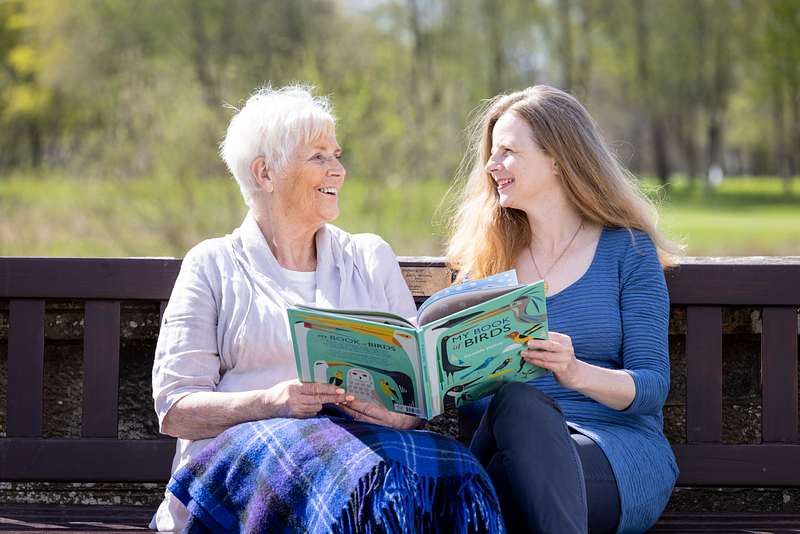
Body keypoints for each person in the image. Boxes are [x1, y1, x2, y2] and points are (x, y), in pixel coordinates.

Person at [150, 83, 505, 533]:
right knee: (362, 484)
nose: (338, 170)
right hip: (250, 467)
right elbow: (176, 408)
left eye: (337, 155)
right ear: (265, 173)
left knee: (456, 470)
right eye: (319, 156)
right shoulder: (212, 264)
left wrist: (397, 415)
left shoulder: (371, 257)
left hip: (366, 452)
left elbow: (418, 393)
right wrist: (271, 402)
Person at [444, 85, 683, 534]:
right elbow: (481, 411)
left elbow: (651, 387)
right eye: (492, 154)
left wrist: (576, 374)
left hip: (616, 453)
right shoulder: (490, 263)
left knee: (504, 484)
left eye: (508, 152)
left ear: (557, 158)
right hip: (513, 446)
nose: (492, 166)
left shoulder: (627, 250)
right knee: (518, 403)